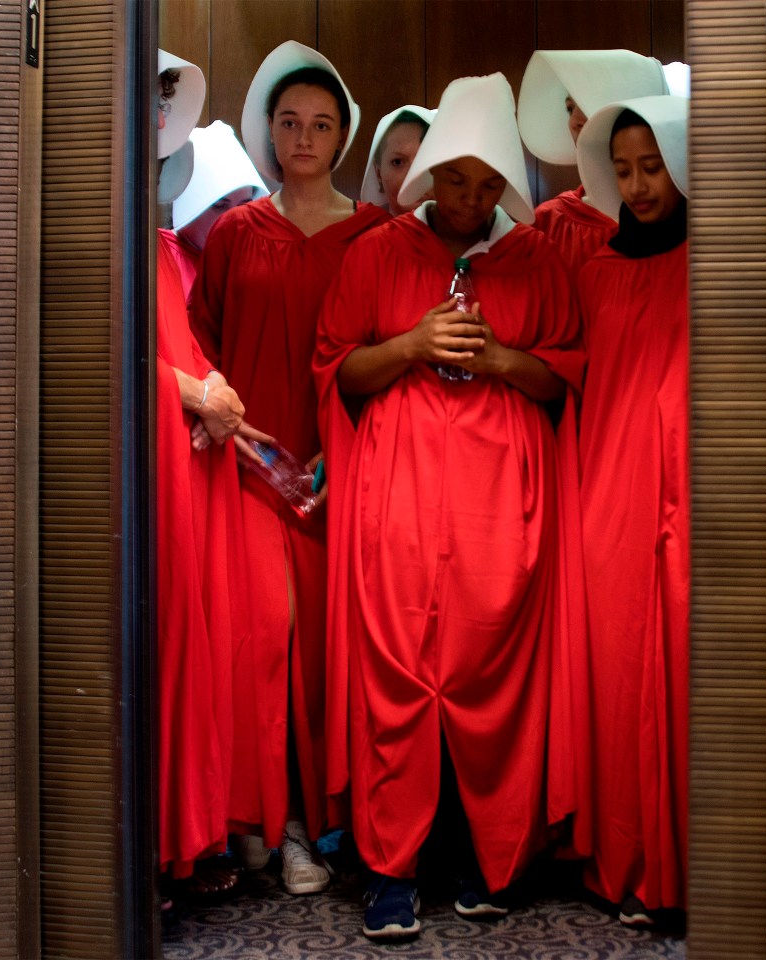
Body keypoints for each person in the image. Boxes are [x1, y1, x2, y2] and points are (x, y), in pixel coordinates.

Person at [313, 72, 586, 941]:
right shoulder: (376, 255)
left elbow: (564, 378)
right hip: (398, 502)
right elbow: (338, 370)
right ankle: (391, 871)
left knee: (490, 676)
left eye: (486, 185)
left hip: (501, 506)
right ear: (429, 175)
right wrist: (410, 343)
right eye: (455, 180)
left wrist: (502, 358)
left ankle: (488, 857)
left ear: (505, 185)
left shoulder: (538, 260)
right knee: (398, 675)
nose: (469, 200)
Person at [189, 40, 388, 896]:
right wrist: (225, 425)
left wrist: (358, 452)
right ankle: (263, 822)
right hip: (249, 471)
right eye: (289, 122)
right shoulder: (236, 233)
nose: (303, 137)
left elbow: (387, 351)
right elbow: (200, 348)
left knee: (326, 658)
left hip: (345, 473)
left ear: (342, 136)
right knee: (258, 646)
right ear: (269, 132)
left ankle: (320, 824)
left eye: (321, 124)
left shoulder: (376, 235)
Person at [150, 49, 267, 910]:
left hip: (187, 472)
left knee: (198, 640)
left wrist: (210, 394)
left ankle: (184, 842)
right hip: (137, 493)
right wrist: (189, 390)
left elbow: (183, 352)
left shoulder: (152, 247)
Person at [572, 94, 690, 929]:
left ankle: (694, 869)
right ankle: (628, 864)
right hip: (609, 497)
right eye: (622, 170)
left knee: (688, 678)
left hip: (689, 490)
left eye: (652, 166)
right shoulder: (596, 272)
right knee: (617, 681)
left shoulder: (718, 262)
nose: (638, 185)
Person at [516, 49, 667, 274]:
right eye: (569, 108)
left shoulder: (676, 218)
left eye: (586, 103)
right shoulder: (551, 221)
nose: (575, 121)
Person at [164, 120, 268, 304]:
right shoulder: (157, 259)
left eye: (244, 205)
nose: (234, 219)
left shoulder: (257, 269)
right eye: (219, 205)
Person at [358, 105, 435, 217]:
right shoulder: (368, 233)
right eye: (398, 162)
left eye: (426, 160)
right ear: (378, 173)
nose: (415, 176)